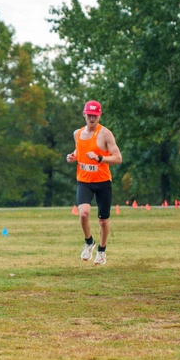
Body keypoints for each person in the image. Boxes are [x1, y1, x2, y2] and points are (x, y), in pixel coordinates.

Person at [66, 100, 122, 265]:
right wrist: (73, 156)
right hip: (84, 182)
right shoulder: (77, 133)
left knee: (103, 221)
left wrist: (100, 158)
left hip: (103, 182)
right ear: (84, 114)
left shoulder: (105, 134)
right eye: (89, 115)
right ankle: (89, 242)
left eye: (95, 115)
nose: (92, 118)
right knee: (83, 213)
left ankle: (102, 251)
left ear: (99, 116)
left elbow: (118, 158)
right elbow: (80, 150)